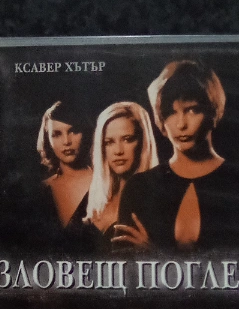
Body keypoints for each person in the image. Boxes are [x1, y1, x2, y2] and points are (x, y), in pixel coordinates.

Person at [114, 60, 239, 252]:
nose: (181, 124)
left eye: (192, 110)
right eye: (170, 112)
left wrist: (156, 256)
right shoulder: (139, 188)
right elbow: (123, 265)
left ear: (213, 111)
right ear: (160, 118)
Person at [74, 102, 158, 247]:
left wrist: (151, 252)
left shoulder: (157, 200)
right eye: (109, 142)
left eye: (127, 139)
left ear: (143, 143)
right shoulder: (93, 199)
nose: (118, 151)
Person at [37, 101, 93, 229]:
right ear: (48, 139)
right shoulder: (43, 189)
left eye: (73, 131)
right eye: (57, 134)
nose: (66, 141)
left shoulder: (104, 182)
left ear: (85, 133)